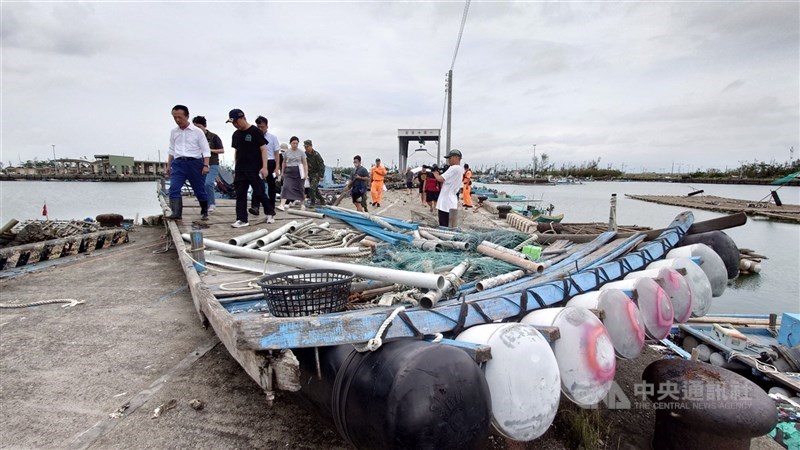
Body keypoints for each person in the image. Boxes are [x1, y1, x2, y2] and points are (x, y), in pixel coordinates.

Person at [166, 105, 211, 221]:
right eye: (175, 117)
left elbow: (206, 150)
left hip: (194, 163)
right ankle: (176, 213)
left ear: (187, 116)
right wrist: (168, 165)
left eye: (180, 117)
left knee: (199, 189)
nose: (177, 120)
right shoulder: (174, 132)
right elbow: (171, 149)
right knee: (174, 188)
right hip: (178, 163)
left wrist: (206, 165)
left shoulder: (197, 132)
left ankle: (204, 210)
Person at [226, 108, 269, 228]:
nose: (235, 125)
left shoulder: (255, 131)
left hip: (254, 168)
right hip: (240, 169)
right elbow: (236, 151)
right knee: (240, 194)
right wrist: (236, 167)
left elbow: (263, 149)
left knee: (260, 193)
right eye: (232, 123)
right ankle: (242, 219)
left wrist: (265, 167)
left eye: (236, 122)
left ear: (243, 118)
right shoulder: (236, 134)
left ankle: (269, 212)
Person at [192, 116, 224, 213]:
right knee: (199, 185)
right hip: (198, 164)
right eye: (195, 127)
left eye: (199, 127)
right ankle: (204, 205)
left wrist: (209, 150)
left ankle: (212, 204)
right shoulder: (194, 137)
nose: (197, 129)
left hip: (212, 164)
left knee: (208, 183)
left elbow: (222, 150)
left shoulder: (214, 137)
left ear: (205, 126)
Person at [252, 116, 279, 218]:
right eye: (258, 127)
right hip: (258, 162)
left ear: (267, 126)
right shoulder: (254, 136)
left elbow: (276, 153)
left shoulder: (272, 137)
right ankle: (255, 207)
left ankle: (271, 208)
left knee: (271, 186)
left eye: (262, 127)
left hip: (270, 162)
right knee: (256, 184)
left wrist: (277, 167)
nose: (260, 129)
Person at [433, 149, 466, 227]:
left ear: (456, 157)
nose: (448, 160)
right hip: (451, 201)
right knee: (450, 226)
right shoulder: (460, 169)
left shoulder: (454, 168)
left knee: (444, 226)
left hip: (445, 203)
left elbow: (440, 178)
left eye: (450, 158)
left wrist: (435, 173)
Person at [276, 136, 308, 211]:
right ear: (290, 143)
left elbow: (305, 164)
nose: (295, 145)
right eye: (294, 143)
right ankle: (282, 204)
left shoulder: (301, 152)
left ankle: (302, 204)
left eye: (297, 143)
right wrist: (282, 172)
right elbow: (284, 162)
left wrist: (306, 174)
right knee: (286, 187)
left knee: (300, 188)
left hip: (299, 171)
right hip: (289, 171)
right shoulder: (287, 152)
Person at [303, 140, 326, 207]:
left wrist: (321, 175)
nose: (306, 148)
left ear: (311, 146)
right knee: (315, 189)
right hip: (309, 174)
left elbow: (321, 165)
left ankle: (313, 202)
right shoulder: (305, 155)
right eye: (305, 147)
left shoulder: (316, 155)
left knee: (312, 188)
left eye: (307, 147)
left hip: (316, 174)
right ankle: (322, 200)